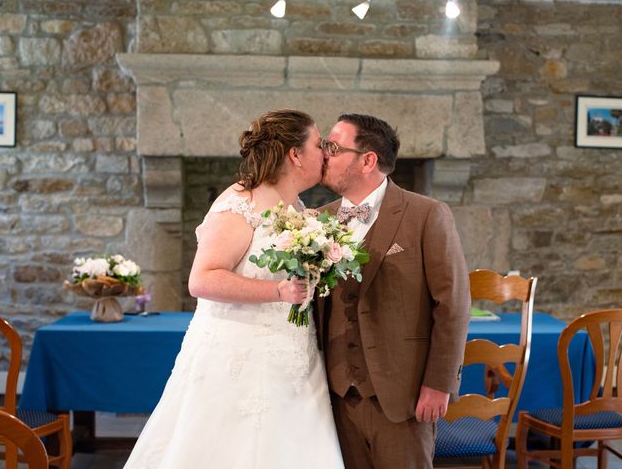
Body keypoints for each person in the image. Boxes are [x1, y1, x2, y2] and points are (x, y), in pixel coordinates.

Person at [124, 109, 345, 468]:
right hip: (237, 354)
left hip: (292, 355)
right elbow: (202, 279)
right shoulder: (240, 202)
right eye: (319, 144)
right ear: (295, 154)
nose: (325, 152)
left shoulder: (298, 207)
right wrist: (277, 292)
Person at [316, 113, 471, 469]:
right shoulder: (317, 220)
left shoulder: (426, 215)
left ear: (368, 160)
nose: (324, 154)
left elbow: (454, 304)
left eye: (334, 147)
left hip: (403, 395)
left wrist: (439, 384)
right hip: (335, 397)